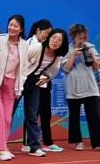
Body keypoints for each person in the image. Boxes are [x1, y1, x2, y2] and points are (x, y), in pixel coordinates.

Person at [20, 28, 67, 157]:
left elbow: (54, 70)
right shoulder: (36, 48)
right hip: (20, 80)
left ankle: (34, 147)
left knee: (32, 114)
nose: (55, 41)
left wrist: (47, 78)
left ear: (62, 43)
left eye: (59, 40)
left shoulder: (56, 56)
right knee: (9, 114)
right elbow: (20, 60)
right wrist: (18, 80)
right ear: (48, 38)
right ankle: (1, 146)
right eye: (53, 38)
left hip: (34, 83)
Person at [0, 14, 27, 161]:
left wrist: (19, 87)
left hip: (11, 84)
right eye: (10, 25)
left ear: (21, 29)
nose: (12, 28)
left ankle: (1, 146)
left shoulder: (24, 45)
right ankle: (1, 149)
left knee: (7, 118)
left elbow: (24, 68)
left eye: (16, 26)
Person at [63, 24, 100, 150]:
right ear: (73, 37)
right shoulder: (67, 49)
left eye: (84, 38)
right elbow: (65, 69)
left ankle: (97, 143)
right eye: (80, 38)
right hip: (73, 87)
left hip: (89, 86)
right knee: (74, 116)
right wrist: (73, 55)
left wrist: (92, 56)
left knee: (93, 116)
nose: (82, 40)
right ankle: (77, 141)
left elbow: (97, 67)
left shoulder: (91, 47)